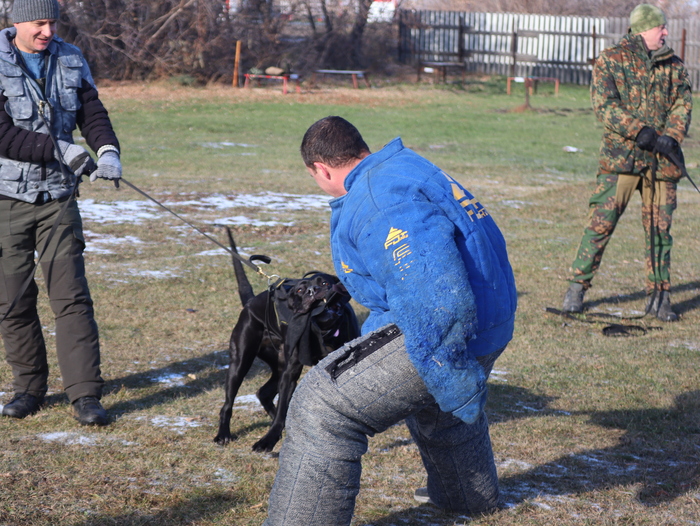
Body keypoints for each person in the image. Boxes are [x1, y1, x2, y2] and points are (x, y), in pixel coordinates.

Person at [262, 116, 517, 526]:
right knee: (437, 407)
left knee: (320, 407)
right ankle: (467, 499)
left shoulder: (381, 200)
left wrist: (447, 369)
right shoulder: (398, 167)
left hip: (449, 320)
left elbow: (434, 293)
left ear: (321, 169)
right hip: (489, 315)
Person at [0, 0, 122, 425]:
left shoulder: (70, 57)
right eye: (39, 23)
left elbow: (92, 112)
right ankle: (28, 389)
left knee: (71, 298)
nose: (48, 31)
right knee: (13, 299)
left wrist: (107, 150)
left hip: (59, 199)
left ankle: (85, 394)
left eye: (52, 22)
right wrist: (60, 149)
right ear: (16, 22)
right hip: (6, 199)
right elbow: (2, 133)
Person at [562, 3, 692, 321]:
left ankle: (660, 298)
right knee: (600, 225)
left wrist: (671, 136)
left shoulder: (674, 65)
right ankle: (576, 289)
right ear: (643, 29)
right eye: (660, 27)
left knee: (660, 231)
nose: (666, 32)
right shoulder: (611, 59)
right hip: (621, 159)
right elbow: (604, 104)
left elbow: (683, 103)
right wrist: (639, 131)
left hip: (663, 162)